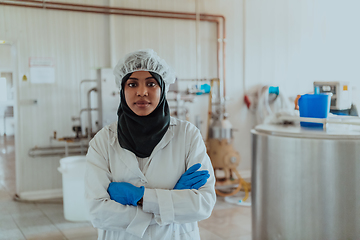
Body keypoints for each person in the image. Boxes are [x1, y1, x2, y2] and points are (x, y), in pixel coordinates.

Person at [85, 49, 216, 240]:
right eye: (132, 84)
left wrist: (140, 197)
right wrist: (168, 204)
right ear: (122, 90)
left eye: (151, 83)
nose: (142, 92)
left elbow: (203, 204)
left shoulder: (187, 135)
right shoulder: (103, 141)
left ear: (162, 88)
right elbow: (97, 212)